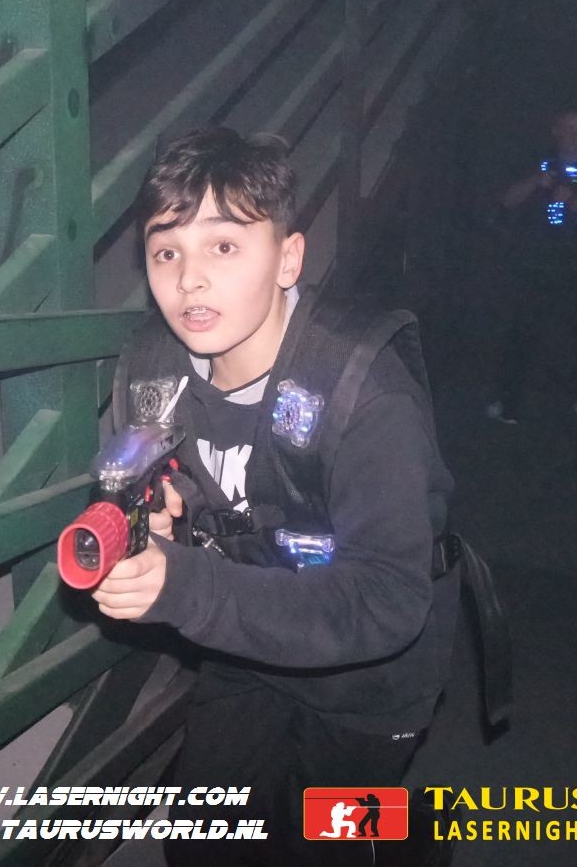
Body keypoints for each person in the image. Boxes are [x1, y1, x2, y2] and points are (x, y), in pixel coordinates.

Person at [90, 126, 460, 865]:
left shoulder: (361, 389)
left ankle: (412, 834)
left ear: (288, 258)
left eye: (224, 246)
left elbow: (387, 600)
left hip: (369, 674)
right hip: (250, 637)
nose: (189, 281)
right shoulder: (155, 369)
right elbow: (160, 488)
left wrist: (185, 585)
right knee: (204, 842)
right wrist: (157, 525)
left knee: (332, 839)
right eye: (166, 252)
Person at [486, 109, 577, 424]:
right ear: (555, 130)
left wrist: (571, 199)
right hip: (536, 262)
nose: (574, 137)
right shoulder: (539, 163)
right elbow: (507, 200)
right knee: (523, 331)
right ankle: (509, 401)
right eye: (568, 128)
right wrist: (535, 181)